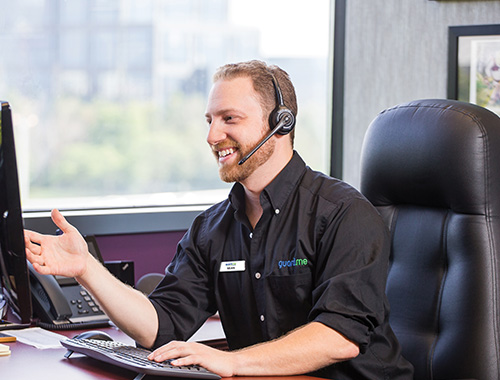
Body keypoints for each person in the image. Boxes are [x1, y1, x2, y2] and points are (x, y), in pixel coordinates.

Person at [25, 60, 414, 379]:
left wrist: (231, 361)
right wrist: (85, 269)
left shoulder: (343, 214)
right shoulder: (213, 228)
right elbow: (160, 326)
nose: (213, 136)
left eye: (229, 118)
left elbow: (338, 337)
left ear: (281, 123)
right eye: (209, 120)